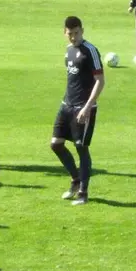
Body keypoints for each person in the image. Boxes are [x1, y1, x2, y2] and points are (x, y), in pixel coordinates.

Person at [50, 16, 105, 206]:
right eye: (69, 34)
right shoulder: (68, 51)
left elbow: (100, 81)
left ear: (82, 30)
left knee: (81, 148)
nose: (73, 37)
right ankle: (75, 179)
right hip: (66, 105)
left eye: (76, 33)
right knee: (56, 144)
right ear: (64, 32)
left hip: (84, 108)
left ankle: (83, 192)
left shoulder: (90, 51)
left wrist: (88, 107)